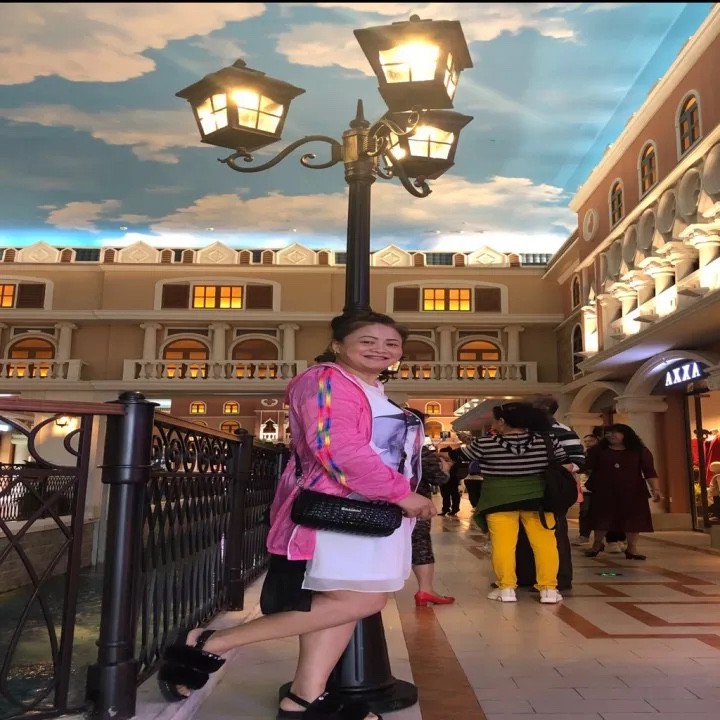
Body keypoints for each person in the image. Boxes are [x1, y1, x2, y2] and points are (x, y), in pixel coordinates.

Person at [157, 310, 435, 720]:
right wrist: (401, 493)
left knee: (341, 600)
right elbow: (335, 447)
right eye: (368, 341)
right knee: (362, 599)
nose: (381, 349)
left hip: (369, 512)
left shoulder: (371, 388)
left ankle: (303, 698)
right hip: (338, 513)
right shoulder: (325, 380)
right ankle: (210, 643)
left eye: (391, 343)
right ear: (338, 345)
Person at [459, 402, 572, 604]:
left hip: (499, 500)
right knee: (545, 544)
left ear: (502, 422)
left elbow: (463, 457)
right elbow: (563, 462)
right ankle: (548, 589)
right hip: (539, 500)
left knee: (503, 545)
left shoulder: (485, 443)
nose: (493, 423)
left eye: (495, 420)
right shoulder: (547, 440)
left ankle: (507, 588)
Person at [513, 396, 585, 592]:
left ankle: (559, 578)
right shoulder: (524, 431)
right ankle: (526, 576)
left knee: (555, 531)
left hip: (552, 488)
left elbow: (578, 460)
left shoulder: (563, 431)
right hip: (525, 487)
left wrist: (553, 471)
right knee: (523, 533)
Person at [584, 423, 663, 561]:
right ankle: (597, 544)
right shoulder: (598, 450)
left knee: (633, 520)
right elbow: (585, 465)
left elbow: (649, 471)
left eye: (615, 432)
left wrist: (656, 489)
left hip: (633, 491)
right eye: (608, 433)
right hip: (604, 491)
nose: (610, 435)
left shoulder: (640, 451)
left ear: (626, 434)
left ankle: (632, 548)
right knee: (601, 518)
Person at [407, 410, 455, 607]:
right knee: (421, 546)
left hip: (383, 505)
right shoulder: (420, 451)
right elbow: (437, 478)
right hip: (417, 506)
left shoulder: (380, 444)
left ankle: (370, 592)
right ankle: (425, 590)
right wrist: (446, 470)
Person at [572, 434, 599, 545]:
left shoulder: (601, 454)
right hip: (585, 488)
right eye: (586, 441)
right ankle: (584, 535)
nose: (588, 443)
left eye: (591, 441)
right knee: (584, 511)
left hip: (600, 487)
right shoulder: (583, 455)